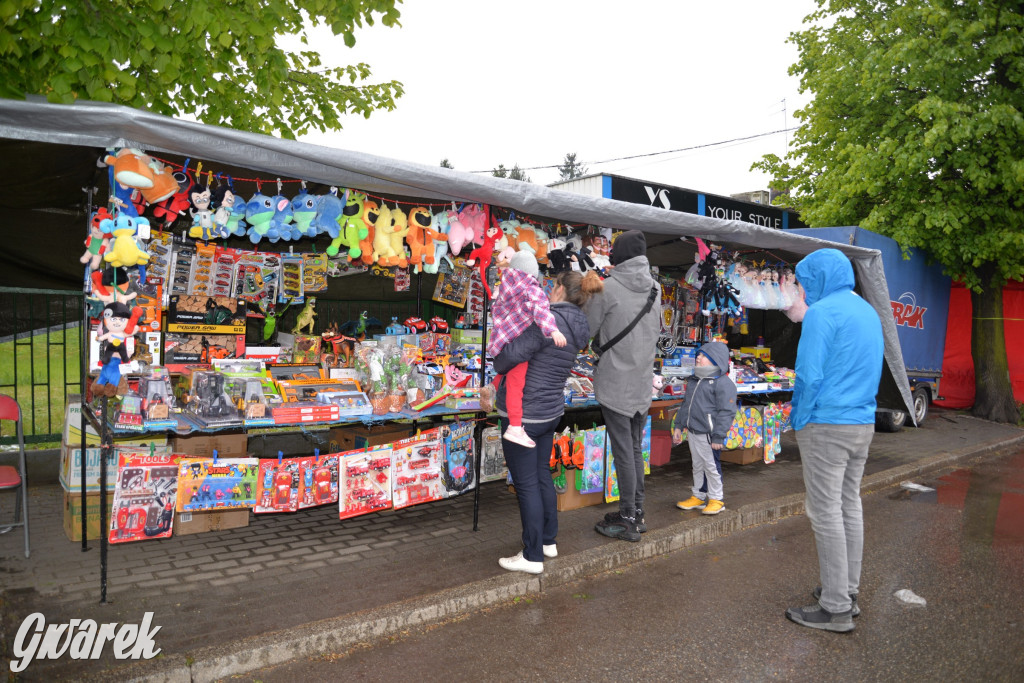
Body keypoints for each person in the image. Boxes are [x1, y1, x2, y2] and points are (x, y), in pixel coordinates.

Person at [784, 248, 883, 633]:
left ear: (819, 278)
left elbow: (808, 375)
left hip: (827, 423)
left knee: (824, 513)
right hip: (862, 421)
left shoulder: (822, 314)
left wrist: (798, 417)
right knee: (848, 506)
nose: (804, 289)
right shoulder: (867, 311)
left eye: (805, 281)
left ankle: (836, 608)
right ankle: (847, 592)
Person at [493, 270, 599, 574]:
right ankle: (548, 540)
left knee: (526, 484)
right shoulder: (578, 325)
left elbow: (506, 358)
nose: (547, 291)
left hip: (523, 414)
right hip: (549, 411)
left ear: (559, 290)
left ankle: (532, 555)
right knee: (541, 476)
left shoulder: (547, 322)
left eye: (551, 286)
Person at [586, 230, 662, 542]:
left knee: (624, 451)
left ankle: (628, 517)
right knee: (633, 448)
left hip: (616, 382)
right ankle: (637, 511)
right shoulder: (655, 289)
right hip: (642, 383)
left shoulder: (609, 288)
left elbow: (588, 329)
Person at [484, 250, 567, 447]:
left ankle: (492, 387)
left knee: (509, 368)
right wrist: (553, 330)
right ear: (532, 270)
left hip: (503, 339)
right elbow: (541, 309)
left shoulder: (506, 284)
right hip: (520, 342)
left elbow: (496, 309)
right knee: (516, 384)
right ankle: (514, 426)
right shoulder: (531, 287)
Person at [672, 341, 737, 515]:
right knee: (697, 465)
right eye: (698, 355)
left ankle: (717, 499)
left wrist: (718, 436)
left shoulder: (723, 383)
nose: (698, 358)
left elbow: (727, 411)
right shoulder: (695, 379)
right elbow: (686, 405)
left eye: (703, 356)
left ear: (715, 360)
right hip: (693, 431)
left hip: (709, 435)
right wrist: (679, 425)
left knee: (711, 466)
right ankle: (698, 496)